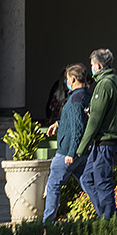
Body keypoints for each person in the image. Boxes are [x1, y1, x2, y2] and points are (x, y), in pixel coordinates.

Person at [72, 48, 117, 220]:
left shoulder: (103, 85)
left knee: (102, 182)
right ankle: (105, 216)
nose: (91, 68)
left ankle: (109, 223)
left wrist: (80, 148)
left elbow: (94, 121)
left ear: (98, 65)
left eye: (92, 65)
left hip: (105, 141)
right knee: (87, 178)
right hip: (111, 140)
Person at [42, 64, 91, 223]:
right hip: (80, 153)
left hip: (67, 153)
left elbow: (78, 127)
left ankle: (47, 225)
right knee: (89, 186)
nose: (66, 81)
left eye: (67, 79)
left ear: (73, 79)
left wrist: (71, 152)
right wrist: (59, 124)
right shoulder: (84, 96)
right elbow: (76, 121)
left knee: (53, 186)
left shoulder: (76, 99)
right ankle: (108, 217)